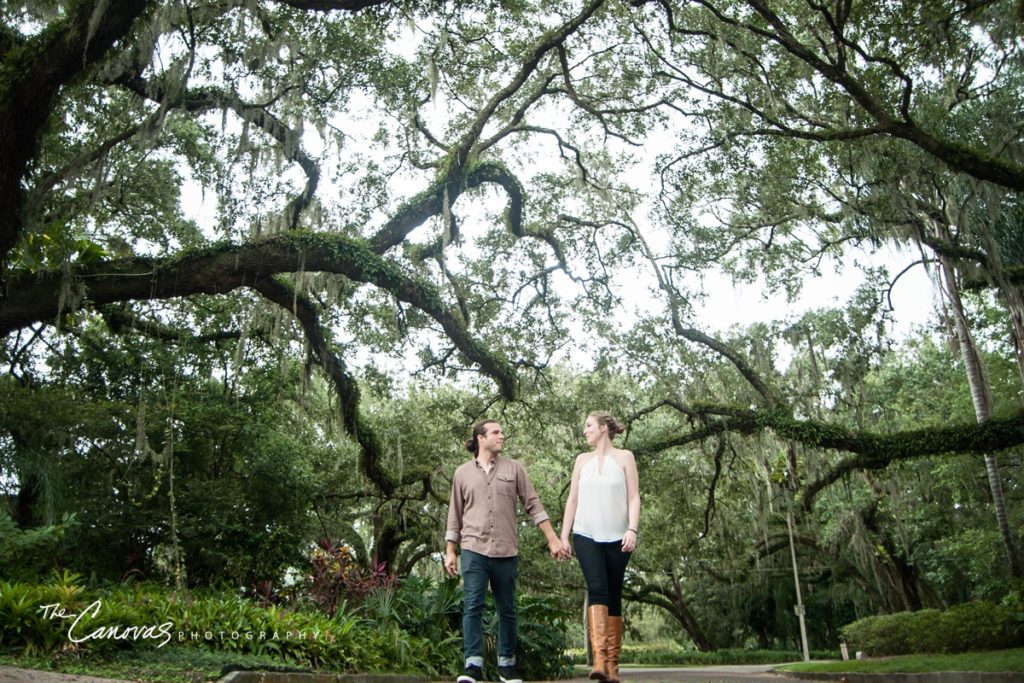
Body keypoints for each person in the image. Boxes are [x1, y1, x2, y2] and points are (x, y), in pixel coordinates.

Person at [445, 419, 568, 683]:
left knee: (507, 609)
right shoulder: (462, 473)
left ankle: (507, 666)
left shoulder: (514, 469)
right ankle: (473, 666)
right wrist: (450, 550)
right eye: (496, 432)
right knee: (473, 606)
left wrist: (553, 539)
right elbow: (454, 514)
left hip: (506, 551)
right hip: (473, 549)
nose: (502, 436)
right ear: (481, 438)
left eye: (502, 432)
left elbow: (533, 505)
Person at [559, 411, 640, 683]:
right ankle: (600, 660)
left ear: (604, 428)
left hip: (619, 537)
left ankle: (614, 666)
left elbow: (634, 497)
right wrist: (563, 536)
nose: (585, 431)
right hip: (586, 534)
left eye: (589, 426)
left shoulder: (625, 457)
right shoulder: (582, 461)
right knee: (597, 588)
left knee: (614, 592)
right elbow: (572, 500)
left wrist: (632, 529)